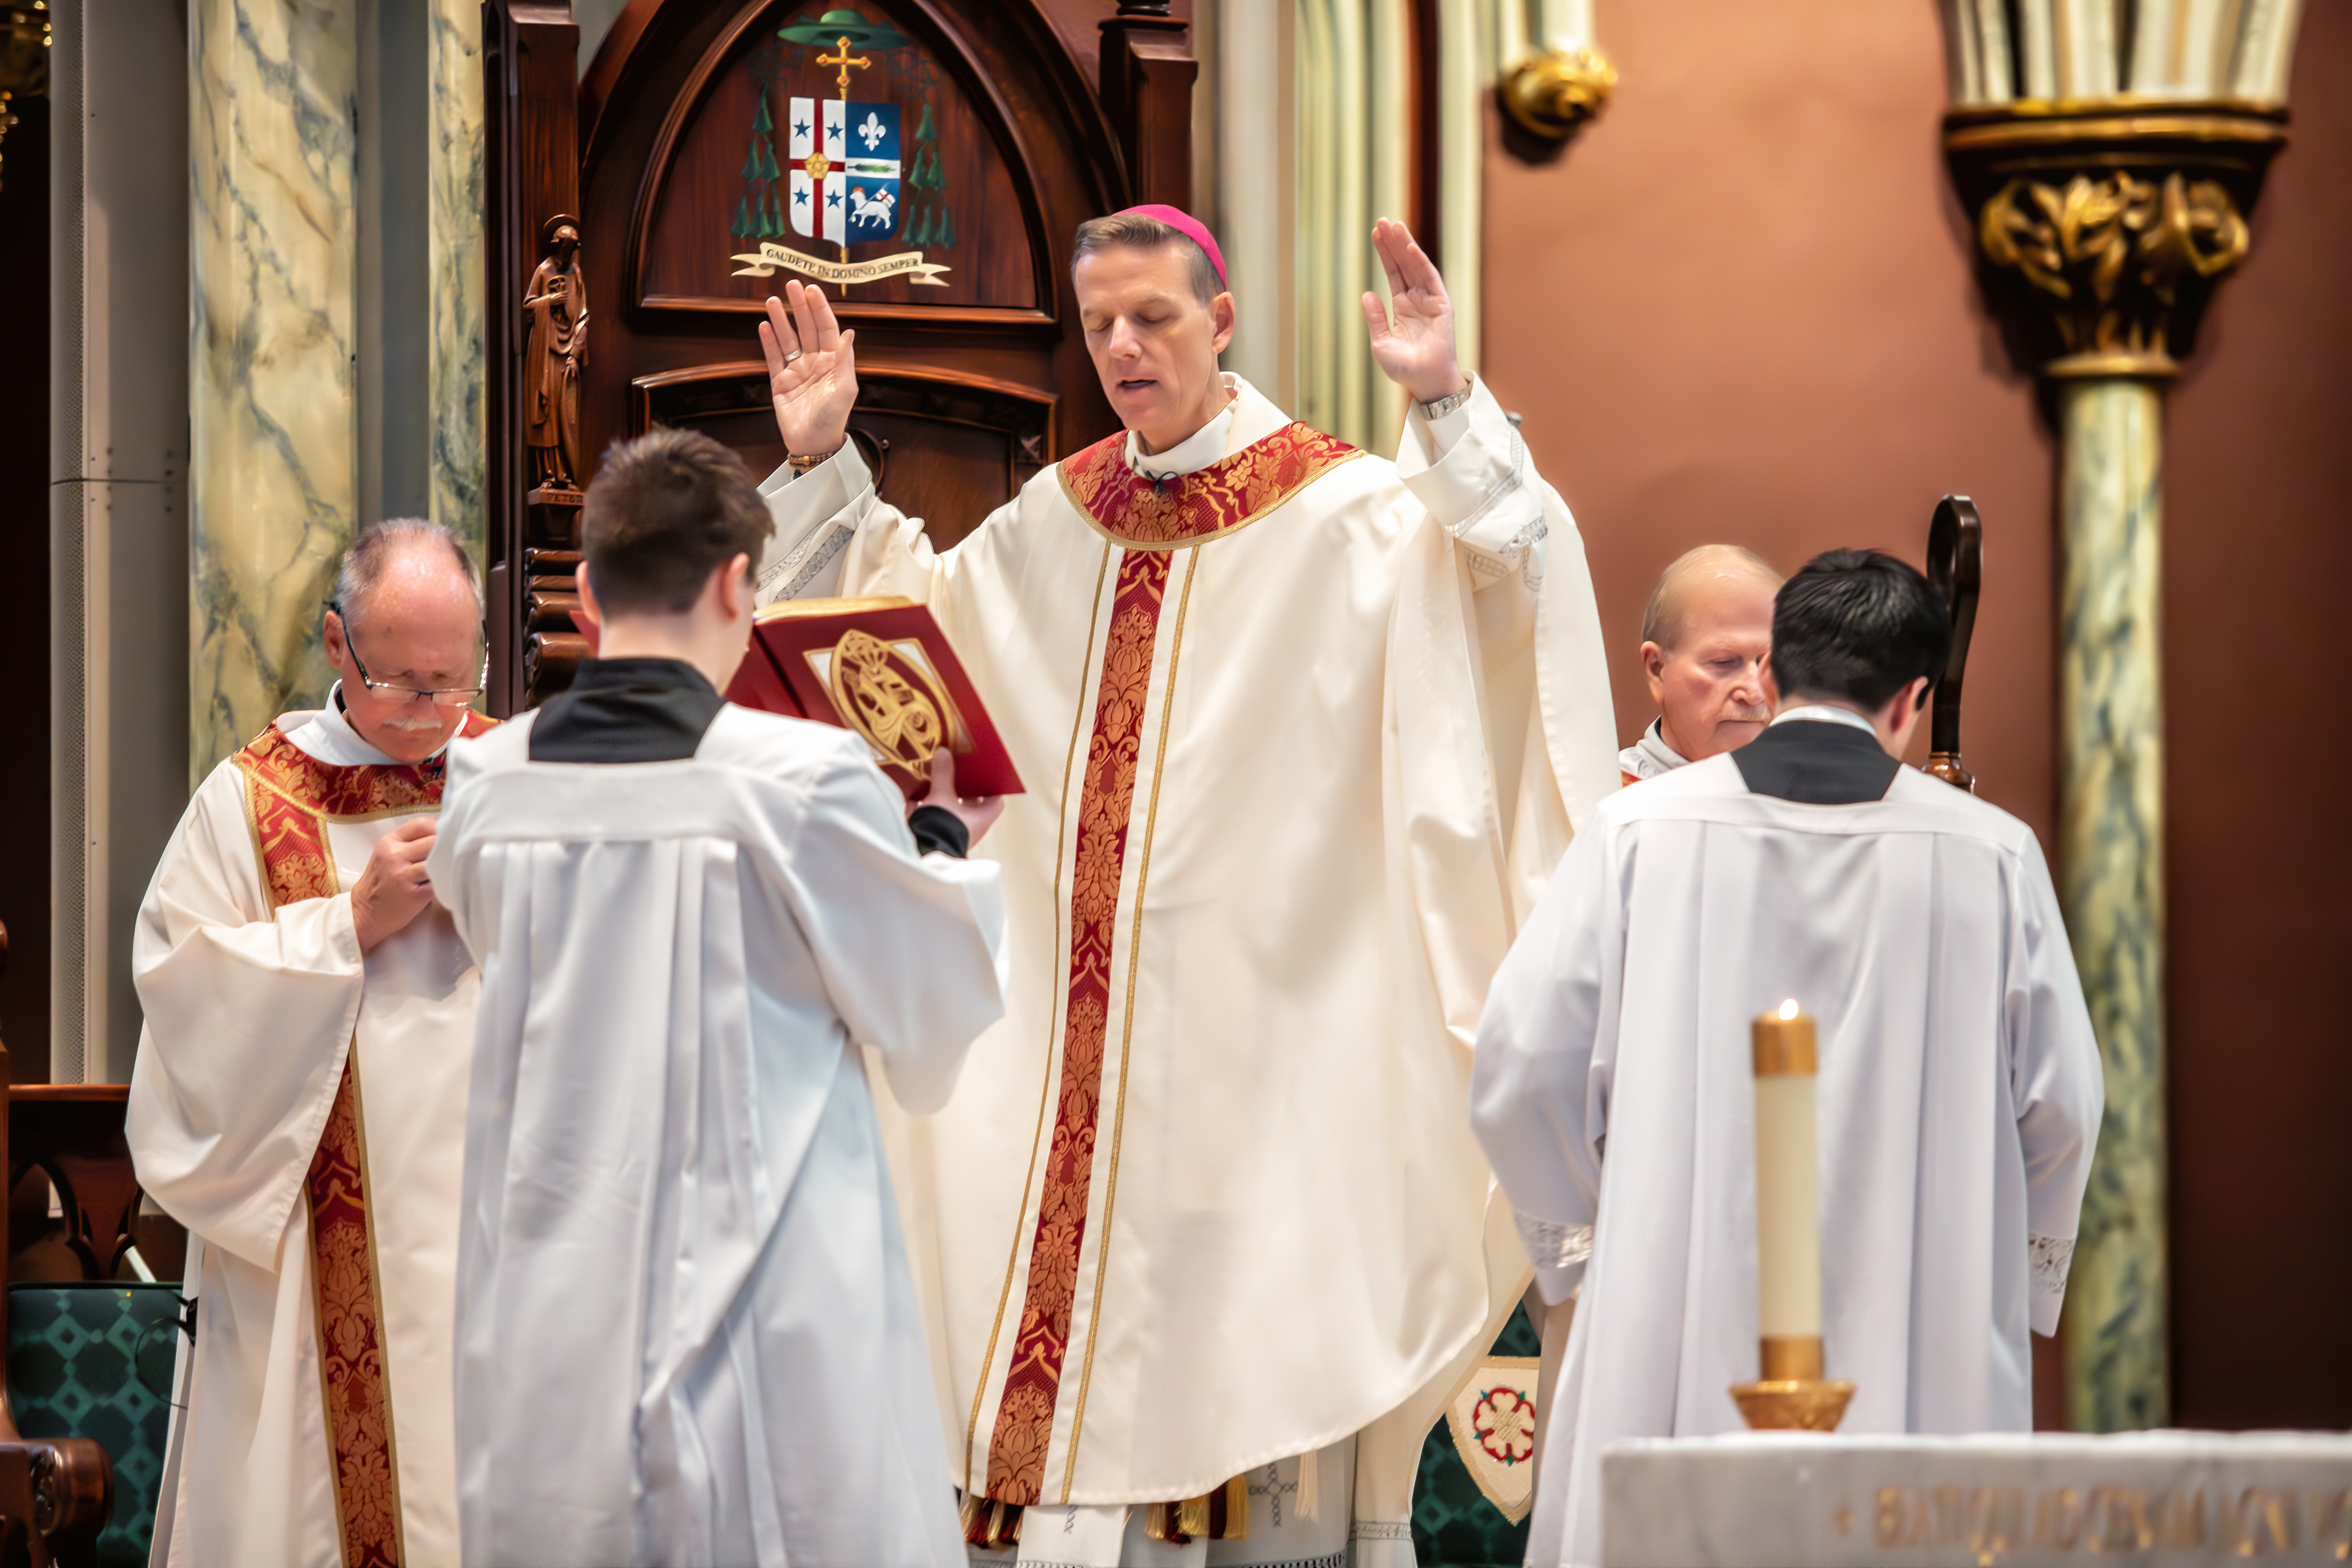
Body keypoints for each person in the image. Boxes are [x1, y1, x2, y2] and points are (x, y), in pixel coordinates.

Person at [753, 205, 1619, 1562]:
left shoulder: (1348, 511)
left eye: (1153, 318)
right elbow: (916, 637)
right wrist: (822, 464)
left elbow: (1508, 578)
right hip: (1058, 1056)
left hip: (1255, 1052)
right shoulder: (1056, 516)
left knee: (1243, 1347)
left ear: (1220, 320)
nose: (1122, 347)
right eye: (1100, 323)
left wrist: (1447, 404)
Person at [428, 428, 1008, 1567]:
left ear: (588, 596)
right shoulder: (800, 780)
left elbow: (492, 935)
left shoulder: (487, 787)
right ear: (741, 584)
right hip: (760, 1320)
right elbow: (918, 998)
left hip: (551, 1315)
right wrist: (937, 839)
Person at [1470, 548, 2104, 1568]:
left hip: (1670, 1309)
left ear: (1774, 671)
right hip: (1923, 1322)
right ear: (1914, 698)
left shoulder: (1635, 836)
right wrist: (1989, 1257)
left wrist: (1598, 1242)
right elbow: (2063, 1104)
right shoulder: (1992, 855)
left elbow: (1521, 1067)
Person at [128, 521, 495, 1568]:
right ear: (338, 645)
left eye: (452, 681)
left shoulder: (516, 774)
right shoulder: (252, 802)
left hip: (497, 1236)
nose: (431, 712)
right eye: (402, 683)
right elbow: (185, 1002)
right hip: (320, 1260)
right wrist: (349, 924)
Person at [1619, 544, 1780, 784]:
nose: (1755, 693)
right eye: (1723, 662)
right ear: (1657, 669)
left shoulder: (1819, 794)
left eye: (1771, 664)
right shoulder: (1603, 799)